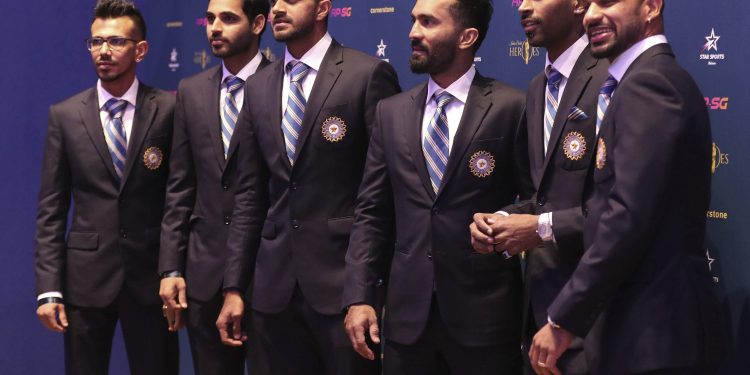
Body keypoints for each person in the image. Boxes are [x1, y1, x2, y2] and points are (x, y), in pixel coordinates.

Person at [528, 1, 725, 374]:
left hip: (656, 336)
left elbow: (627, 216)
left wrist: (563, 318)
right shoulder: (632, 82)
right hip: (637, 332)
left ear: (651, 6)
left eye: (606, 2)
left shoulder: (649, 83)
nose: (589, 17)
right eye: (586, 5)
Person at [342, 0, 531, 373]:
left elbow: (534, 200)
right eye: (413, 20)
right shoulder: (391, 112)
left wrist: (504, 221)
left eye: (428, 22)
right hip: (406, 324)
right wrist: (359, 296)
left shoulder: (512, 107)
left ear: (467, 36)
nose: (413, 32)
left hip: (486, 320)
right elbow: (372, 213)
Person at [215, 0, 401, 374]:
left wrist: (364, 290)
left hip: (344, 290)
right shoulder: (258, 86)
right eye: (273, 2)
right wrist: (234, 287)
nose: (278, 8)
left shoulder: (367, 74)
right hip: (273, 290)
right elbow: (250, 194)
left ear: (323, 8)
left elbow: (381, 193)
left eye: (292, 0)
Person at [34, 0, 178, 374]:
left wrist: (173, 270)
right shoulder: (64, 116)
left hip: (150, 279)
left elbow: (180, 197)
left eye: (115, 42)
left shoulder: (169, 109)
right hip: (85, 281)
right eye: (96, 42)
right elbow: (51, 209)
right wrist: (49, 288)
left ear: (140, 49)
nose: (103, 51)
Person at [469, 0, 608, 373]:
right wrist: (501, 219)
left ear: (579, 5)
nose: (524, 7)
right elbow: (541, 195)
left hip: (599, 317)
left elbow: (621, 211)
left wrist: (538, 228)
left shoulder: (612, 77)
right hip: (540, 313)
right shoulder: (537, 87)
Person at [157, 0, 269, 373]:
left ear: (257, 24)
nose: (214, 28)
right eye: (210, 18)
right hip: (203, 272)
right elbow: (179, 185)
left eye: (228, 18)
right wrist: (171, 268)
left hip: (269, 272)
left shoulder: (285, 85)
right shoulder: (190, 90)